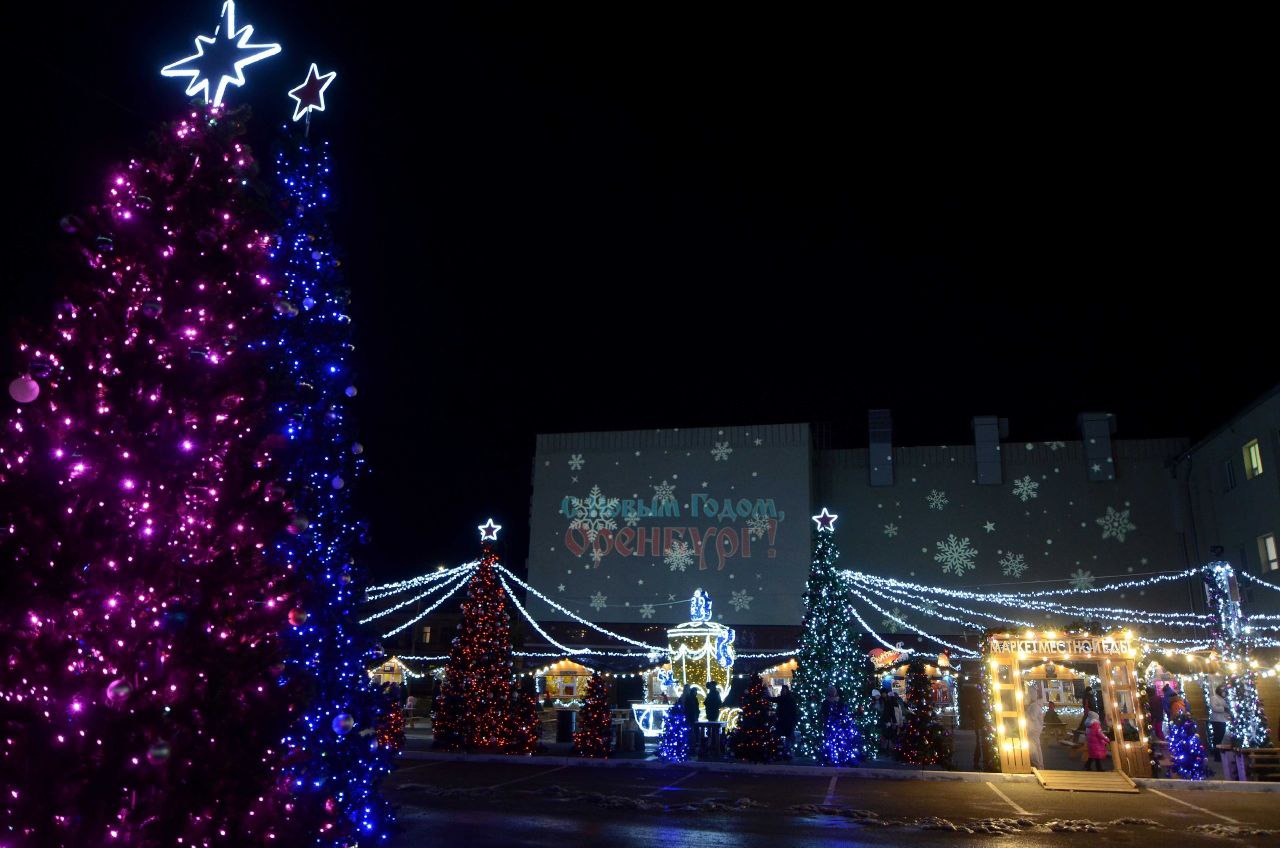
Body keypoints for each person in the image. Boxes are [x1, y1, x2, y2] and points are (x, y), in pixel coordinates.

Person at [1024, 686, 1048, 769]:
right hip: (1034, 730)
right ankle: (1039, 765)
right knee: (1036, 747)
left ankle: (1037, 765)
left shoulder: (1035, 706)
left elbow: (1032, 717)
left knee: (1034, 749)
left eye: (1030, 693)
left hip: (1033, 730)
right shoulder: (1035, 705)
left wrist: (1025, 713)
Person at [773, 684, 799, 757]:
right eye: (782, 690)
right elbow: (774, 699)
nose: (782, 691)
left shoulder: (790, 699)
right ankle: (780, 751)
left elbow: (794, 711)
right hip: (781, 721)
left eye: (784, 690)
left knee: (788, 737)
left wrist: (794, 721)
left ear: (787, 691)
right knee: (779, 735)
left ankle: (786, 752)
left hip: (788, 722)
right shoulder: (782, 698)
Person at [1209, 685, 1230, 761]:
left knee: (1220, 737)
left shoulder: (1223, 699)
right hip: (1217, 720)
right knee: (1217, 738)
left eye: (1224, 691)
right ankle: (1217, 756)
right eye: (1222, 691)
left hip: (1222, 720)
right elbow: (1214, 708)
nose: (1224, 692)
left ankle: (1219, 754)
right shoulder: (1214, 698)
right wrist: (1224, 708)